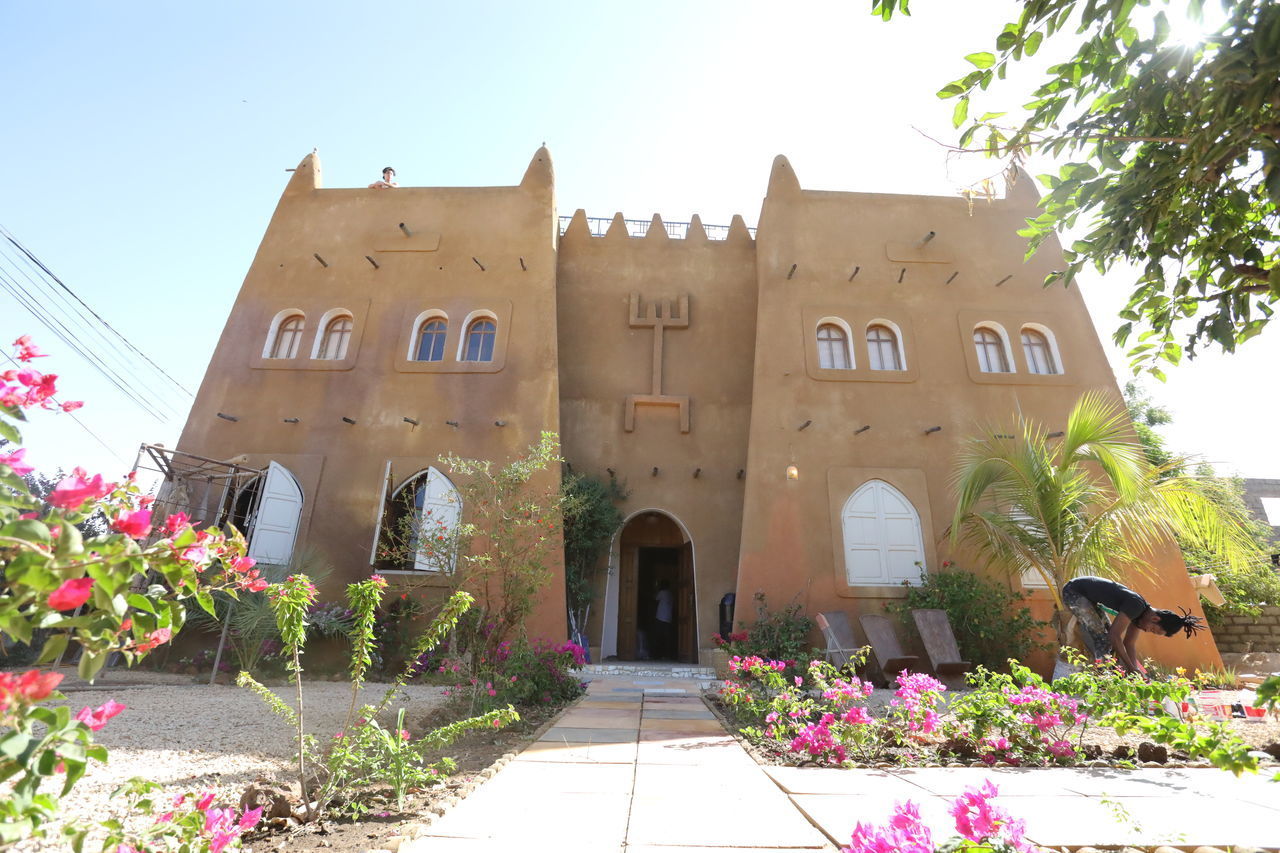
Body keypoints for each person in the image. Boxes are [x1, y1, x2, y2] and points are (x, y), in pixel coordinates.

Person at [1061, 575, 1206, 675]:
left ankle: (1107, 673)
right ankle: (1103, 678)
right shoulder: (1136, 606)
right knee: (1104, 639)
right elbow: (1114, 635)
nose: (1148, 631)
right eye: (1153, 630)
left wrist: (1135, 670)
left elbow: (1129, 643)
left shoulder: (1141, 617)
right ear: (1155, 619)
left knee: (1107, 635)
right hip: (1074, 591)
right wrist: (1130, 668)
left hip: (1088, 597)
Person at [653, 580, 674, 660]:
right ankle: (667, 655)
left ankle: (657, 655)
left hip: (660, 617)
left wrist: (656, 589)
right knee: (667, 638)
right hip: (668, 618)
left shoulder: (662, 592)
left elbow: (655, 598)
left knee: (658, 637)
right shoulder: (670, 593)